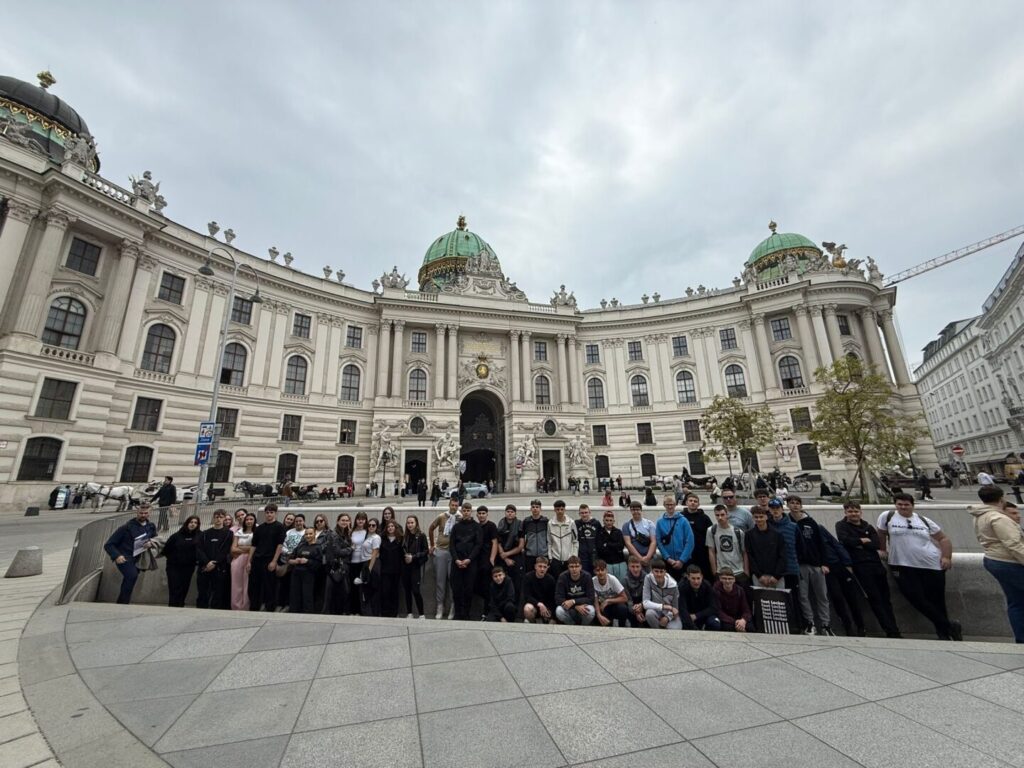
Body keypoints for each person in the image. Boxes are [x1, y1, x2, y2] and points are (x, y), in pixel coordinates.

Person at [878, 492, 961, 640]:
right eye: (899, 504)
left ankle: (943, 633)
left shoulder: (923, 520)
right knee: (915, 598)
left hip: (932, 564)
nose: (903, 507)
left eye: (906, 504)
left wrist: (946, 557)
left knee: (937, 601)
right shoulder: (887, 516)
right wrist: (882, 550)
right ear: (895, 505)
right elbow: (881, 534)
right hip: (901, 565)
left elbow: (943, 538)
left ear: (912, 505)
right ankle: (949, 626)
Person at [835, 501, 901, 638]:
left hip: (877, 566)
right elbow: (845, 541)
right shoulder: (841, 526)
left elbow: (876, 544)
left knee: (886, 600)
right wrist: (862, 541)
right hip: (860, 567)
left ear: (860, 512)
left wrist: (860, 543)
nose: (853, 514)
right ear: (845, 512)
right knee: (875, 599)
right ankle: (890, 630)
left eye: (856, 511)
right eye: (850, 511)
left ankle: (894, 628)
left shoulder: (868, 526)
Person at [971, 485, 1024, 642]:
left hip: (994, 560)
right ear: (1001, 498)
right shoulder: (999, 518)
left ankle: (1021, 640)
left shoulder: (980, 515)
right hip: (1009, 562)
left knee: (1016, 602)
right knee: (1017, 602)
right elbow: (1014, 544)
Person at [787, 495, 833, 636]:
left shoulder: (811, 522)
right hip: (799, 566)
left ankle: (826, 625)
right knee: (803, 596)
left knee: (822, 595)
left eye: (797, 503)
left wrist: (824, 563)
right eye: (792, 503)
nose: (795, 505)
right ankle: (810, 623)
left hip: (816, 565)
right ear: (787, 505)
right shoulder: (786, 522)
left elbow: (821, 544)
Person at [103, 502, 157, 604]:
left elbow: (155, 538)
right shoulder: (125, 527)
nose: (143, 515)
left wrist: (151, 543)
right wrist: (117, 556)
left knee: (130, 580)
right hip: (125, 558)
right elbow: (109, 544)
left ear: (150, 513)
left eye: (146, 513)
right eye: (141, 513)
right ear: (137, 512)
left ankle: (122, 602)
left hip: (140, 558)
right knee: (131, 576)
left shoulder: (151, 526)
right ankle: (123, 603)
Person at [248, 504, 285, 612]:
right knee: (254, 586)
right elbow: (253, 545)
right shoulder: (259, 528)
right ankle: (254, 607)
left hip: (269, 560)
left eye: (271, 512)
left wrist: (274, 561)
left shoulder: (279, 527)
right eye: (267, 512)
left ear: (275, 513)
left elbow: (280, 545)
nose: (269, 514)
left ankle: (270, 608)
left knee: (269, 586)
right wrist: (249, 562)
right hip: (257, 560)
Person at [449, 501, 482, 620]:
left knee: (468, 589)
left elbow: (478, 545)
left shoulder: (476, 527)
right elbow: (451, 544)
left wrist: (469, 559)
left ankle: (466, 614)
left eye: (468, 510)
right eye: (464, 510)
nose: (466, 513)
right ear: (461, 511)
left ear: (471, 511)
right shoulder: (456, 527)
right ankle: (458, 613)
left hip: (470, 563)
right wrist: (457, 559)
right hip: (457, 562)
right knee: (456, 589)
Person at [428, 498, 459, 619]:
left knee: (452, 581)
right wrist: (431, 545)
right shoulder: (442, 516)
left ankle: (453, 606)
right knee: (440, 581)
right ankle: (440, 606)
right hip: (441, 550)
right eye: (452, 505)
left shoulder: (460, 518)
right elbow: (431, 528)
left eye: (456, 505)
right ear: (449, 505)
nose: (454, 507)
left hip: (453, 553)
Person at [196, 509, 234, 610]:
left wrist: (215, 562)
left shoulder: (229, 534)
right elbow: (199, 549)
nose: (218, 519)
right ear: (213, 518)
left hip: (219, 567)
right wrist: (207, 562)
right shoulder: (204, 533)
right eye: (216, 517)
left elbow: (226, 550)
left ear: (224, 518)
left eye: (221, 517)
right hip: (205, 567)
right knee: (203, 591)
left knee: (218, 592)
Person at [162, 515, 200, 607]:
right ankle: (172, 606)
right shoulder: (176, 536)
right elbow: (166, 550)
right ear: (187, 523)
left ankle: (180, 606)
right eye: (191, 522)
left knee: (184, 587)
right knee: (174, 587)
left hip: (188, 567)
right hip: (174, 567)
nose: (193, 524)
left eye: (195, 523)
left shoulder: (200, 536)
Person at [655, 494, 695, 582]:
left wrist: (682, 560)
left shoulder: (683, 520)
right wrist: (667, 558)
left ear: (675, 505)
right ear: (664, 505)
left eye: (672, 504)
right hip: (668, 561)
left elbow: (690, 541)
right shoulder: (660, 522)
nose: (670, 507)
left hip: (683, 561)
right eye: (668, 504)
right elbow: (659, 542)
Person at [706, 505, 749, 584]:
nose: (720, 517)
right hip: (721, 571)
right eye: (717, 515)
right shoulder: (711, 530)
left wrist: (746, 571)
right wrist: (714, 571)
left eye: (722, 515)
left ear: (727, 515)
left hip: (738, 571)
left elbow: (744, 552)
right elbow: (711, 551)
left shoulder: (738, 532)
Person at [745, 506, 786, 589]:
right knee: (760, 601)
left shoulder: (777, 534)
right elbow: (750, 556)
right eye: (756, 517)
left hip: (777, 577)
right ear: (753, 518)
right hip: (759, 577)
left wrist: (776, 576)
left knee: (779, 601)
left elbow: (783, 556)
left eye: (761, 517)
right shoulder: (749, 535)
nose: (759, 519)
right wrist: (759, 576)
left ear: (766, 517)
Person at [322, 514, 353, 615]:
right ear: (338, 521)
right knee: (331, 594)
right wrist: (351, 549)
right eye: (342, 520)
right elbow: (337, 551)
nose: (344, 522)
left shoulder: (346, 533)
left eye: (347, 520)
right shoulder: (334, 534)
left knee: (341, 593)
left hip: (342, 567)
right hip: (335, 568)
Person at [642, 558, 684, 629]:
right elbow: (645, 603)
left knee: (676, 629)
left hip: (670, 613)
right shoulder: (648, 578)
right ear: (652, 571)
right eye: (656, 571)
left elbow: (676, 608)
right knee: (649, 614)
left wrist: (667, 618)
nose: (659, 574)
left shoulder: (673, 585)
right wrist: (663, 606)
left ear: (665, 572)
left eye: (661, 572)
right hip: (656, 610)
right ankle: (659, 633)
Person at [288, 528, 321, 614]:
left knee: (307, 595)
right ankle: (293, 613)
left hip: (309, 574)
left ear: (314, 534)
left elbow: (319, 564)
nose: (308, 536)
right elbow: (290, 559)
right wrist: (295, 561)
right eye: (306, 534)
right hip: (296, 573)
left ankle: (307, 614)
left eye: (310, 534)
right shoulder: (301, 545)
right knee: (294, 595)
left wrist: (308, 561)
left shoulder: (318, 547)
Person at [496, 504, 525, 603]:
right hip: (502, 558)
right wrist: (504, 557)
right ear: (505, 513)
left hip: (516, 557)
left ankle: (515, 607)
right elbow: (498, 543)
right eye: (508, 511)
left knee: (516, 584)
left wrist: (507, 554)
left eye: (512, 512)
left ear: (515, 513)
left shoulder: (520, 524)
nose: (510, 513)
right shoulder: (501, 524)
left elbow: (521, 546)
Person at [554, 556, 595, 625]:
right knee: (559, 611)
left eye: (576, 566)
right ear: (568, 567)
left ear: (581, 567)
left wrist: (574, 602)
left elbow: (591, 598)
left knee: (591, 611)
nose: (574, 569)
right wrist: (575, 606)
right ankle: (571, 625)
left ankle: (583, 626)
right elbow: (558, 598)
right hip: (569, 607)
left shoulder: (587, 576)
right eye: (571, 566)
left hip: (583, 606)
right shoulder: (562, 577)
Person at [474, 506, 499, 617]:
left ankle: (487, 612)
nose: (481, 515)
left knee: (487, 587)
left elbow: (495, 542)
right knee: (477, 586)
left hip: (487, 560)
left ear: (487, 514)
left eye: (483, 513)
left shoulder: (491, 526)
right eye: (479, 513)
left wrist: (492, 558)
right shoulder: (476, 526)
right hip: (477, 560)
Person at [681, 493, 714, 580]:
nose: (693, 503)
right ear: (686, 503)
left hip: (701, 554)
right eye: (690, 501)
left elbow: (711, 535)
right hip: (685, 554)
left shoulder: (705, 518)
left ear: (698, 504)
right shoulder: (680, 517)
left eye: (695, 501)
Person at [402, 515, 428, 619]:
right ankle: (409, 613)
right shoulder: (405, 536)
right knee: (407, 590)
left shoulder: (421, 535)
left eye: (412, 522)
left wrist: (413, 557)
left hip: (415, 566)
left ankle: (421, 614)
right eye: (408, 523)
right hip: (405, 567)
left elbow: (425, 551)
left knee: (416, 591)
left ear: (416, 523)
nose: (410, 525)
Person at [353, 518, 382, 615]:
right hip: (365, 563)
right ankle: (368, 612)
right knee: (366, 590)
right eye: (369, 525)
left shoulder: (376, 538)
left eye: (373, 525)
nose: (371, 527)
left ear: (377, 527)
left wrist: (369, 569)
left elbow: (375, 553)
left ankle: (373, 613)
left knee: (372, 590)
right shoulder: (368, 536)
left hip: (372, 564)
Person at [377, 519, 404, 617]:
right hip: (385, 571)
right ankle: (385, 612)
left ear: (395, 528)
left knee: (395, 592)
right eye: (388, 526)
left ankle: (394, 612)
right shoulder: (382, 539)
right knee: (385, 592)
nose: (390, 528)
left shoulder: (400, 539)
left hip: (396, 571)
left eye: (392, 526)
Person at [230, 512, 256, 610]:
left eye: (251, 519)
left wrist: (241, 547)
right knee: (236, 583)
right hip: (237, 559)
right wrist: (248, 548)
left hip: (250, 559)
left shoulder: (257, 532)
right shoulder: (239, 532)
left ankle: (245, 606)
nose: (249, 521)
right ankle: (236, 606)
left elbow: (255, 547)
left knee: (247, 584)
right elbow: (233, 549)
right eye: (247, 519)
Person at [681, 565, 720, 630]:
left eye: (698, 578)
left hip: (703, 614)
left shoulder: (707, 586)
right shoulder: (682, 587)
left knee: (715, 624)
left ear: (701, 577)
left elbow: (713, 607)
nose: (696, 582)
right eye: (693, 578)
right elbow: (682, 609)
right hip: (689, 616)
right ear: (688, 577)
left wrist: (697, 615)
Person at [714, 567, 753, 632]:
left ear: (734, 579)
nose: (727, 581)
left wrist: (743, 620)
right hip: (725, 619)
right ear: (720, 579)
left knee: (750, 627)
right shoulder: (716, 590)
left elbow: (746, 609)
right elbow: (718, 611)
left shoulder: (740, 590)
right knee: (728, 628)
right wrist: (735, 622)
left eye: (730, 579)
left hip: (738, 618)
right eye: (724, 578)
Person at [592, 559, 629, 627]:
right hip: (603, 606)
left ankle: (623, 627)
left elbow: (625, 598)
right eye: (598, 570)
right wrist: (599, 615)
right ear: (594, 571)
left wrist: (608, 601)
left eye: (602, 570)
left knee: (623, 609)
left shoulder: (612, 579)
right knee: (599, 616)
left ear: (606, 570)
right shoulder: (593, 581)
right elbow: (595, 600)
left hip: (615, 604)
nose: (600, 572)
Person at [547, 500, 578, 579]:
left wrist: (574, 556)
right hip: (555, 559)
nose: (560, 511)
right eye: (557, 509)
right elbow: (549, 542)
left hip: (569, 559)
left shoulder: (571, 523)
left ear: (564, 509)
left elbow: (575, 541)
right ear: (554, 510)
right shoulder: (550, 523)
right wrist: (550, 557)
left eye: (561, 509)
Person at [623, 501, 657, 570]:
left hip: (649, 559)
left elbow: (653, 541)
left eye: (637, 509)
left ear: (641, 510)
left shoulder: (650, 524)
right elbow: (628, 543)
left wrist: (648, 557)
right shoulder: (626, 526)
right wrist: (640, 558)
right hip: (634, 560)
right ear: (630, 511)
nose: (635, 512)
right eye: (633, 510)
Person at [522, 556, 556, 624]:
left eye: (544, 567)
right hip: (534, 605)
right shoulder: (528, 577)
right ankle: (532, 622)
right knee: (527, 609)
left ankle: (544, 620)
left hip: (546, 607)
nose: (542, 569)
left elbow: (552, 599)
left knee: (552, 623)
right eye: (540, 566)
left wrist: (551, 615)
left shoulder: (551, 579)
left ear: (547, 568)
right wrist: (539, 604)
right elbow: (527, 596)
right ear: (535, 566)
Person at [595, 509, 627, 580]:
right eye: (607, 520)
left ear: (613, 521)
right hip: (606, 563)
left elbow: (621, 546)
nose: (609, 522)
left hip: (619, 562)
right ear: (603, 521)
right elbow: (600, 549)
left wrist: (607, 544)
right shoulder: (599, 533)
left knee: (622, 583)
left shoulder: (618, 532)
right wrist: (614, 546)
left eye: (610, 520)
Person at [523, 499, 550, 573]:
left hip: (543, 554)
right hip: (530, 555)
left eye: (537, 507)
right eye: (533, 507)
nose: (535, 509)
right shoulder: (526, 521)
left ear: (540, 508)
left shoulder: (546, 521)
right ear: (530, 508)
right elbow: (522, 537)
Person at [575, 504, 600, 575]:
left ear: (590, 512)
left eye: (586, 512)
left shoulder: (596, 523)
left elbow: (599, 538)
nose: (584, 515)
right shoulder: (576, 523)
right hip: (582, 555)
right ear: (579, 514)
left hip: (594, 554)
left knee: (595, 574)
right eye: (582, 513)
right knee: (584, 575)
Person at [623, 556, 647, 627]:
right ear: (628, 567)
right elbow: (628, 599)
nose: (635, 569)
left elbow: (648, 596)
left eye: (637, 566)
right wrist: (636, 612)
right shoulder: (625, 580)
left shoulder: (647, 577)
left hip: (643, 601)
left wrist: (641, 606)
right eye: (632, 566)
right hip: (632, 602)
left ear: (641, 566)